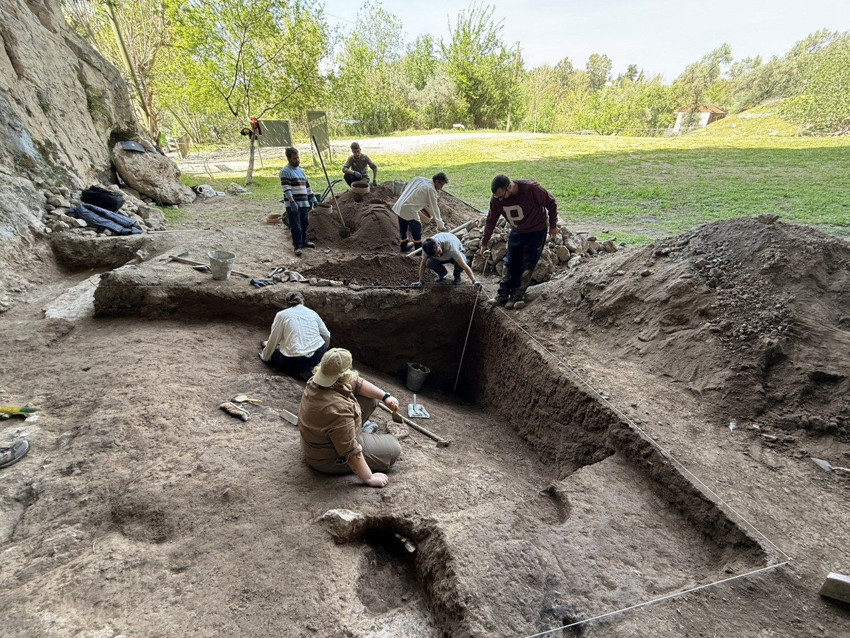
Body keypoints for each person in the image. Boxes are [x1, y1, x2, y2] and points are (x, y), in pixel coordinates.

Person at [298, 348, 402, 488]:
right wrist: (369, 477)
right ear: (344, 374)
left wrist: (385, 397)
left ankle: (356, 432)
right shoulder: (337, 410)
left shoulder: (317, 380)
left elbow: (357, 383)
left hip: (321, 440)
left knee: (372, 398)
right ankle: (359, 439)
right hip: (328, 458)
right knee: (393, 448)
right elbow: (350, 452)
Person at [479, 175, 559, 309]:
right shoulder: (497, 199)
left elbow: (551, 202)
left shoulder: (531, 189)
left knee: (527, 265)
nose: (499, 200)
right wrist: (484, 242)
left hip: (536, 231)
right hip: (516, 231)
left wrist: (553, 225)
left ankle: (517, 296)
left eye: (501, 196)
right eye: (497, 197)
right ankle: (502, 294)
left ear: (509, 187)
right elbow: (491, 220)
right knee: (510, 262)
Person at [260, 291, 330, 380]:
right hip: (318, 354)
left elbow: (274, 339)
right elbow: (327, 335)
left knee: (275, 353)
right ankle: (311, 368)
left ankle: (298, 372)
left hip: (295, 360)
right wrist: (322, 353)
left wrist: (265, 357)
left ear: (286, 303)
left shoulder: (281, 315)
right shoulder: (312, 313)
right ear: (302, 301)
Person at [391, 172, 449, 253]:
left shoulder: (418, 178)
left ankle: (403, 245)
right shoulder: (430, 189)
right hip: (409, 209)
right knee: (417, 228)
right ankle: (418, 249)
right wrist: (441, 226)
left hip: (400, 204)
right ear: (436, 181)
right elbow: (434, 208)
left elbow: (410, 189)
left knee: (403, 227)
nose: (441, 188)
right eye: (441, 185)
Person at [279, 147, 318, 257]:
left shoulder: (301, 171)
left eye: (298, 157)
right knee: (296, 225)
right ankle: (297, 245)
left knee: (304, 223)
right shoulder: (285, 171)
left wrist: (313, 198)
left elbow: (307, 186)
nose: (297, 160)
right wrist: (291, 201)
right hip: (294, 204)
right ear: (289, 158)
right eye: (294, 158)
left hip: (304, 203)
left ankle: (304, 241)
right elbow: (286, 188)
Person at [410, 233, 482, 290]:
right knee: (428, 262)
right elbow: (423, 264)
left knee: (461, 262)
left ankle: (457, 276)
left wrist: (474, 281)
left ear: (439, 244)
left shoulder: (451, 247)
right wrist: (420, 281)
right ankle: (442, 273)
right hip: (443, 257)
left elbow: (464, 266)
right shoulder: (427, 249)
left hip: (453, 256)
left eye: (438, 252)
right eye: (434, 255)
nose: (438, 255)